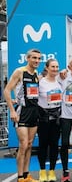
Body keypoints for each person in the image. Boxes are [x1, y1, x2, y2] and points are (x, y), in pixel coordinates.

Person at [3, 49, 41, 182]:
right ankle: (20, 177)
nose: (37, 61)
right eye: (34, 58)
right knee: (23, 144)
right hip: (22, 112)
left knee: (30, 144)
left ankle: (26, 175)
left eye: (38, 58)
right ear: (27, 58)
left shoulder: (36, 73)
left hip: (33, 112)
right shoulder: (20, 72)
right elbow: (7, 91)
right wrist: (12, 111)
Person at [37, 58, 62, 182]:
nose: (55, 69)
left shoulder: (60, 82)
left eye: (57, 67)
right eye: (53, 67)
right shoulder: (40, 82)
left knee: (54, 145)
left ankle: (52, 171)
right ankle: (42, 171)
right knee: (42, 144)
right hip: (43, 118)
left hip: (56, 118)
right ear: (47, 68)